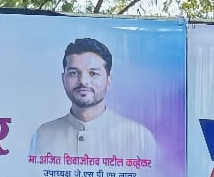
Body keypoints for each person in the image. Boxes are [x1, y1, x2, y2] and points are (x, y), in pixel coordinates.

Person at [29, 38, 157, 160]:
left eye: (93, 73)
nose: (83, 81)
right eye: (73, 73)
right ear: (64, 79)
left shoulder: (139, 137)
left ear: (108, 80)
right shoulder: (43, 135)